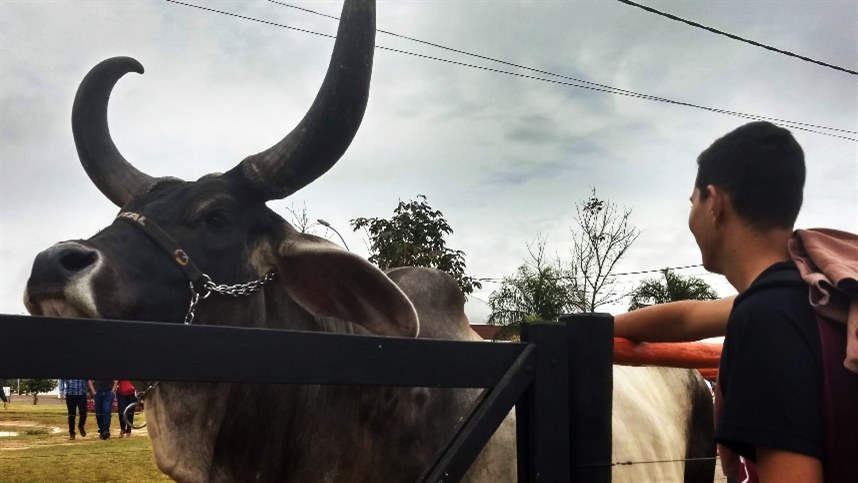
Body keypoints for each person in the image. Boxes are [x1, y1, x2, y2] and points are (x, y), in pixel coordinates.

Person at [614, 121, 857, 483]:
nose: (691, 217)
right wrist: (594, 331)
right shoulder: (817, 295)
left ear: (715, 202)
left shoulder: (768, 320)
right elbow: (687, 318)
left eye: (693, 202)